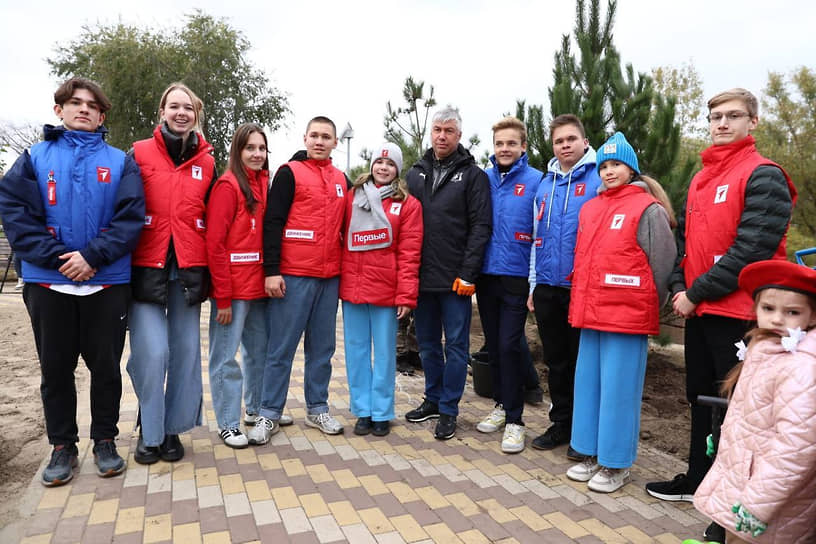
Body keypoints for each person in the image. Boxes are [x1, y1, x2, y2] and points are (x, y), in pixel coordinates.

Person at [645, 88, 796, 538]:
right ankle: (696, 479)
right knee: (701, 399)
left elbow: (752, 251)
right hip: (700, 310)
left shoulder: (763, 175)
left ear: (753, 122)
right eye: (715, 117)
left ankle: (729, 509)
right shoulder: (701, 178)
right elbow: (689, 245)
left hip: (741, 314)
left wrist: (696, 292)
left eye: (733, 116)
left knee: (739, 413)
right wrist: (678, 285)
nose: (722, 124)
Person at [0, 77, 145, 485]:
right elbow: (15, 214)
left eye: (92, 105)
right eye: (74, 103)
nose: (83, 109)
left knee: (106, 369)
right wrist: (59, 260)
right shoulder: (32, 157)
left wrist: (92, 256)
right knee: (56, 370)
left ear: (102, 115)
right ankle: (62, 447)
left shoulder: (121, 161)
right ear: (58, 110)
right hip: (49, 284)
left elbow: (131, 217)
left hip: (107, 283)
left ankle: (104, 441)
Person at [565, 132, 676, 493]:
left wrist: (646, 304)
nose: (610, 171)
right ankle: (590, 453)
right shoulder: (592, 207)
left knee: (618, 391)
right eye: (605, 165)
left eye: (617, 164)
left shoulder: (647, 208)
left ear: (632, 168)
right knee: (589, 386)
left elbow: (662, 263)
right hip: (591, 312)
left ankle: (616, 463)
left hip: (626, 316)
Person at [692, 260, 816, 544]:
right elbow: (754, 412)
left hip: (770, 505)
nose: (776, 319)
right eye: (768, 308)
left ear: (811, 317)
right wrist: (728, 437)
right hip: (747, 484)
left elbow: (798, 448)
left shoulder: (801, 367)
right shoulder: (764, 348)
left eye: (792, 312)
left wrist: (758, 506)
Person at [127, 82, 217, 464]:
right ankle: (149, 429)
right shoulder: (138, 153)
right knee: (152, 353)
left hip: (189, 270)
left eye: (189, 108)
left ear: (196, 115)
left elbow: (215, 219)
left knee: (184, 353)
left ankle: (171, 430)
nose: (181, 113)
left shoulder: (209, 162)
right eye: (174, 106)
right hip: (145, 268)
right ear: (162, 111)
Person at [250, 116, 348, 444]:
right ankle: (268, 413)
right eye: (315, 135)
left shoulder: (341, 180)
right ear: (305, 138)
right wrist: (271, 271)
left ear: (335, 142)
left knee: (322, 348)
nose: (320, 141)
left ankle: (317, 408)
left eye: (326, 137)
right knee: (281, 348)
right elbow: (273, 222)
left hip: (329, 277)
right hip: (292, 276)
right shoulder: (289, 173)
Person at [404, 106, 491, 440]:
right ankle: (433, 399)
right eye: (437, 130)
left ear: (459, 135)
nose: (442, 136)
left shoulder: (473, 176)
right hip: (423, 277)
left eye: (449, 131)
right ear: (431, 133)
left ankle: (450, 409)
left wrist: (469, 274)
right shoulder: (416, 173)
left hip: (457, 280)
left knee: (456, 347)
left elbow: (481, 227)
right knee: (427, 345)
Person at [528, 114, 601, 457]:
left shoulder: (601, 177)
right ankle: (561, 424)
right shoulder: (545, 184)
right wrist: (532, 284)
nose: (565, 145)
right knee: (556, 361)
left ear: (584, 142)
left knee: (583, 363)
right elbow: (534, 235)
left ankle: (585, 431)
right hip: (546, 285)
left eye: (571, 139)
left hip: (582, 288)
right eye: (559, 141)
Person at [340, 143, 423, 437]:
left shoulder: (409, 205)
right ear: (372, 165)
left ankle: (382, 412)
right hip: (353, 288)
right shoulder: (353, 198)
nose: (383, 168)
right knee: (356, 352)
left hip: (386, 291)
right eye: (379, 162)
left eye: (390, 164)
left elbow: (410, 253)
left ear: (398, 170)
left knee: (385, 354)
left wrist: (406, 295)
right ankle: (362, 410)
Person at [475, 117, 541, 453]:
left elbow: (540, 234)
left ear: (523, 147)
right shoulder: (482, 179)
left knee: (509, 345)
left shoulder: (536, 181)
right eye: (500, 143)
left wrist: (534, 282)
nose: (505, 149)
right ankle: (501, 405)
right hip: (487, 276)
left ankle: (516, 420)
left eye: (511, 143)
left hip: (517, 277)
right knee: (493, 344)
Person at [205, 123, 270, 448]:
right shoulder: (227, 187)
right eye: (250, 148)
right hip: (232, 291)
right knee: (225, 358)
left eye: (261, 148)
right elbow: (214, 245)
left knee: (258, 353)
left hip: (259, 288)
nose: (257, 154)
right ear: (238, 151)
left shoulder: (264, 184)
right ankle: (228, 423)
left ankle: (255, 408)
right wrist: (223, 297)